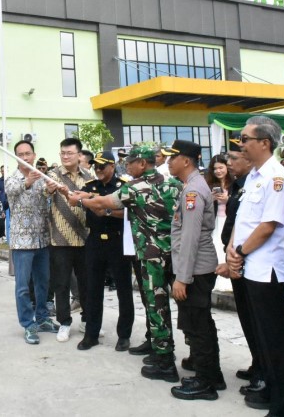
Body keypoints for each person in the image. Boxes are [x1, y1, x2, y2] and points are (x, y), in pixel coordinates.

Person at [65, 144, 181, 383]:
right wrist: (88, 196)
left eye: (130, 162)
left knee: (156, 305)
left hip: (148, 254)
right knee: (163, 305)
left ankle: (164, 361)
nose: (126, 166)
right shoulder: (174, 185)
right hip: (172, 253)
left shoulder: (134, 187)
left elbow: (105, 204)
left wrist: (81, 200)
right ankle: (163, 351)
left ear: (142, 164)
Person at [226, 115, 284, 416]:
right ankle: (270, 387)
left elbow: (269, 225)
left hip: (266, 269)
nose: (240, 144)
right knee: (262, 336)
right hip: (248, 265)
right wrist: (232, 249)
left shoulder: (276, 178)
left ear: (264, 143)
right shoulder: (255, 176)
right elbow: (243, 221)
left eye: (245, 139)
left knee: (277, 338)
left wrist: (240, 251)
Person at [164, 140, 223, 402]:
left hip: (195, 270)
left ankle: (205, 382)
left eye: (172, 158)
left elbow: (190, 238)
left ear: (186, 161)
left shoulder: (193, 192)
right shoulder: (191, 186)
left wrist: (182, 278)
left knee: (198, 326)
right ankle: (212, 374)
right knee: (200, 324)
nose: (168, 162)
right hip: (195, 268)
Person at [216, 135, 263, 395]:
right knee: (246, 317)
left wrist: (236, 254)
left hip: (249, 259)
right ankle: (258, 363)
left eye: (234, 158)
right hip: (236, 258)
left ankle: (264, 370)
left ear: (248, 159)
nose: (229, 163)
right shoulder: (239, 185)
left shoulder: (255, 185)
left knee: (256, 320)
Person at [75, 151, 134, 352]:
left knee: (124, 290)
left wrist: (104, 208)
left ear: (112, 166)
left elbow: (128, 211)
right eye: (95, 166)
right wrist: (88, 198)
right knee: (92, 289)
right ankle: (91, 334)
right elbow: (82, 203)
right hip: (95, 241)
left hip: (118, 241)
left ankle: (124, 335)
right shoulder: (90, 186)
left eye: (102, 166)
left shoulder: (123, 186)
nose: (98, 170)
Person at [5, 140, 59, 344]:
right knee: (22, 287)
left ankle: (43, 317)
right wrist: (28, 180)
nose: (25, 157)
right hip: (22, 243)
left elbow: (46, 197)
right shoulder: (12, 178)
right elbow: (12, 191)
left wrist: (51, 189)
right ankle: (28, 324)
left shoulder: (42, 178)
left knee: (43, 282)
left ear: (34, 155)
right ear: (16, 157)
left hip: (42, 238)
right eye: (21, 154)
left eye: (28, 153)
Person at [44, 137, 93, 343]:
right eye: (62, 153)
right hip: (60, 240)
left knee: (86, 284)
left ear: (79, 155)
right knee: (61, 285)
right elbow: (42, 197)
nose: (65, 156)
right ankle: (64, 322)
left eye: (69, 153)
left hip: (84, 239)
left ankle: (88, 320)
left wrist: (77, 197)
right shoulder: (52, 176)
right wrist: (49, 190)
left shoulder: (89, 178)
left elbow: (93, 204)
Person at [205, 153, 233, 291]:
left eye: (221, 167)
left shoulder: (234, 184)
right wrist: (211, 199)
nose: (218, 171)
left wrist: (228, 200)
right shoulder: (209, 185)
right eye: (215, 169)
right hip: (215, 221)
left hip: (228, 221)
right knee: (216, 247)